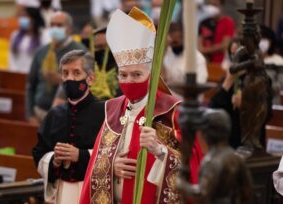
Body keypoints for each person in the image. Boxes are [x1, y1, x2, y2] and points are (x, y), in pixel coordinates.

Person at [80, 8, 203, 204]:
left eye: (137, 75)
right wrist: (112, 165)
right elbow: (97, 162)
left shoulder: (171, 111)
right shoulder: (113, 109)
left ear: (151, 75)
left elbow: (193, 167)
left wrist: (161, 152)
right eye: (124, 75)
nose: (129, 81)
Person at [32, 50, 105, 203]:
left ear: (90, 79)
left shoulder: (105, 112)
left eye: (76, 73)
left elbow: (112, 154)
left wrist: (81, 155)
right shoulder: (54, 114)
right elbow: (39, 153)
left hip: (92, 191)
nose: (70, 78)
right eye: (65, 73)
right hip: (62, 191)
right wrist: (54, 160)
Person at [177, 109, 253, 204]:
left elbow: (201, 194)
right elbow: (247, 190)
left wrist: (182, 185)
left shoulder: (211, 161)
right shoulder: (236, 157)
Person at [26, 11, 86, 125]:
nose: (55, 28)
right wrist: (30, 115)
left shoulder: (79, 52)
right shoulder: (41, 51)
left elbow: (85, 85)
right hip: (39, 113)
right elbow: (30, 85)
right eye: (52, 25)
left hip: (66, 116)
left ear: (69, 29)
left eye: (59, 25)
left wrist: (60, 80)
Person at [163, 22, 208, 98]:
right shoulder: (167, 54)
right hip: (167, 99)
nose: (173, 45)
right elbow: (162, 80)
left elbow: (197, 86)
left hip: (187, 100)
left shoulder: (197, 59)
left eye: (176, 42)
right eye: (172, 43)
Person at [9, 6, 47, 73]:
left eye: (25, 16)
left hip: (35, 75)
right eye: (21, 16)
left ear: (34, 19)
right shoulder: (15, 35)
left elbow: (44, 59)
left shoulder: (43, 36)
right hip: (17, 73)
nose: (22, 19)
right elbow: (11, 57)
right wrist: (14, 71)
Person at [198, 0, 235, 64]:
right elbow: (199, 44)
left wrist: (204, 50)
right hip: (205, 63)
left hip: (221, 64)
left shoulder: (228, 22)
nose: (213, 9)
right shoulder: (203, 23)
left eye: (215, 5)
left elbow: (224, 46)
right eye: (211, 6)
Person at [260, 25, 283, 104]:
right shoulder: (250, 60)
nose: (261, 42)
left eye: (265, 39)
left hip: (272, 101)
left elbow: (280, 85)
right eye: (259, 39)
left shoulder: (278, 61)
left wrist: (265, 85)